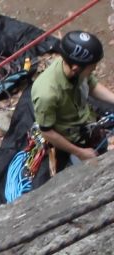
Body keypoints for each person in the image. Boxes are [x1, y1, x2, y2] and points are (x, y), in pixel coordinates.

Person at [31, 30, 114, 177]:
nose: (94, 69)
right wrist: (80, 153)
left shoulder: (75, 69)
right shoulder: (47, 94)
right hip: (68, 139)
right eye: (92, 67)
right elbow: (47, 131)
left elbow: (92, 84)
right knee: (87, 174)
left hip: (84, 125)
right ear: (76, 68)